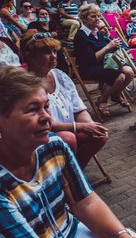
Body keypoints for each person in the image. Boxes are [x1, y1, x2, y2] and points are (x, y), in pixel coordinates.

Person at [0, 66, 136, 238]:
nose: (47, 117)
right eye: (32, 109)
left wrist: (121, 237)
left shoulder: (53, 147)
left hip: (72, 236)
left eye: (46, 106)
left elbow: (85, 201)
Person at [21, 32, 109, 168]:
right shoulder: (26, 84)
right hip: (42, 134)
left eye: (54, 51)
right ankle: (68, 176)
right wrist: (79, 126)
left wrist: (90, 124)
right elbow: (44, 123)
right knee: (68, 138)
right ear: (29, 55)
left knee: (100, 134)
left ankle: (74, 170)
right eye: (46, 52)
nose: (53, 56)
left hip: (70, 130)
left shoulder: (60, 76)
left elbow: (78, 107)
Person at [73, 4, 135, 116]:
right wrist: (108, 47)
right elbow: (91, 59)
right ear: (84, 18)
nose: (97, 18)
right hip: (89, 68)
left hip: (105, 64)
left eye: (98, 15)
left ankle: (115, 94)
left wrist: (114, 45)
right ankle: (102, 100)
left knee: (129, 72)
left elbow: (108, 51)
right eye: (93, 16)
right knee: (120, 76)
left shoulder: (97, 32)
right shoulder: (80, 36)